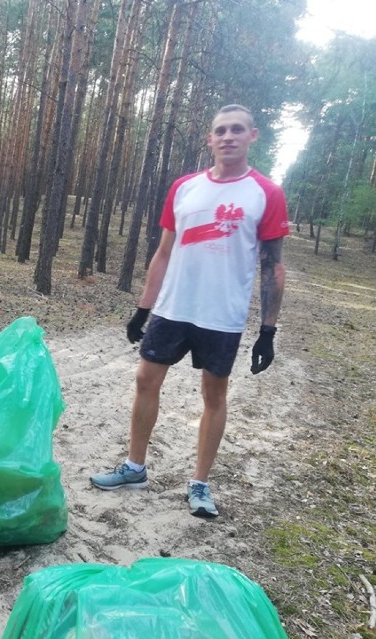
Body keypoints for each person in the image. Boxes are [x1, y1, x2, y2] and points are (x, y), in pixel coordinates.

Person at [90, 104, 288, 518]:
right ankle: (134, 467)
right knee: (146, 379)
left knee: (213, 394)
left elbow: (272, 264)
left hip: (223, 314)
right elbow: (163, 252)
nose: (228, 136)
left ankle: (199, 484)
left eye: (237, 129)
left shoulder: (266, 193)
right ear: (210, 139)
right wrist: (143, 308)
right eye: (221, 130)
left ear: (253, 136)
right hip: (174, 306)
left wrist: (267, 331)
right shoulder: (184, 187)